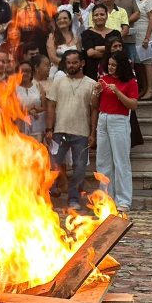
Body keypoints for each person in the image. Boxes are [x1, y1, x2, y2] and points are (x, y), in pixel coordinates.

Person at [45, 49, 98, 210]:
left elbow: (94, 110)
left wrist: (92, 133)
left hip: (81, 133)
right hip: (59, 131)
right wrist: (49, 128)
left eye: (75, 62)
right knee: (53, 165)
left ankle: (73, 199)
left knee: (79, 168)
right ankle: (49, 195)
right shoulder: (58, 82)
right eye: (68, 63)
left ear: (82, 63)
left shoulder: (92, 84)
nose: (71, 65)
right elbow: (51, 106)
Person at [94, 51, 138, 212]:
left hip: (119, 120)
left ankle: (123, 200)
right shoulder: (104, 79)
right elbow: (94, 104)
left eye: (114, 65)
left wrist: (118, 92)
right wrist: (96, 91)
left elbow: (133, 105)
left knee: (121, 161)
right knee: (103, 161)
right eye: (109, 64)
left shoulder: (130, 82)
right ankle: (106, 198)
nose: (111, 67)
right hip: (103, 118)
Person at [131, 0, 152, 99]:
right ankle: (144, 88)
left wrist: (147, 38)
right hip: (138, 34)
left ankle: (150, 89)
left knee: (147, 63)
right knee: (139, 63)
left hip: (147, 33)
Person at [81, 4, 119, 81]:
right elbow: (91, 53)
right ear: (92, 18)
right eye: (96, 15)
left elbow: (119, 52)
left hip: (113, 71)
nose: (99, 17)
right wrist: (110, 50)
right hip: (92, 71)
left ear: (107, 16)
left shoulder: (115, 33)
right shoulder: (86, 34)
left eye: (102, 14)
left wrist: (98, 48)